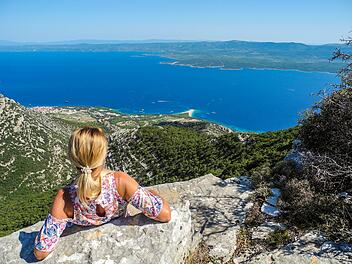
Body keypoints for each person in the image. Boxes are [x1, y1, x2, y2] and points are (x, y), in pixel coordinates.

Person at [33, 126, 171, 261]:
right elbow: (164, 214)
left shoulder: (64, 197)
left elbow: (40, 252)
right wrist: (153, 194)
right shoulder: (120, 182)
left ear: (73, 158)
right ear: (103, 155)